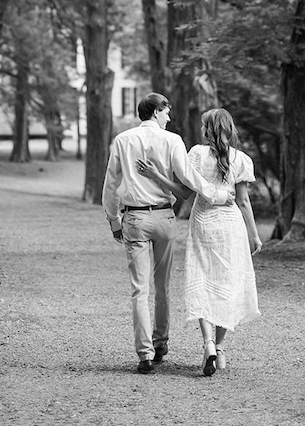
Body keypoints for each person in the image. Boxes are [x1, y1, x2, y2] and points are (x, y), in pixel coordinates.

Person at [102, 92, 235, 374]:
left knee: (139, 289)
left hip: (134, 217)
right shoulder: (172, 140)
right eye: (167, 112)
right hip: (163, 216)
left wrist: (113, 220)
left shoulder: (123, 140)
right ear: (156, 111)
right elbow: (189, 179)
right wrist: (218, 195)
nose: (169, 117)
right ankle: (160, 342)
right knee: (161, 286)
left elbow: (111, 183)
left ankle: (145, 355)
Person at [137, 106, 262, 376]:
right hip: (230, 227)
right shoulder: (241, 159)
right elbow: (242, 201)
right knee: (227, 285)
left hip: (204, 223)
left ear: (210, 129)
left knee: (204, 282)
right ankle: (220, 346)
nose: (202, 129)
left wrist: (156, 176)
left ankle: (207, 344)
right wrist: (254, 234)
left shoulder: (196, 154)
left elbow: (183, 193)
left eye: (205, 125)